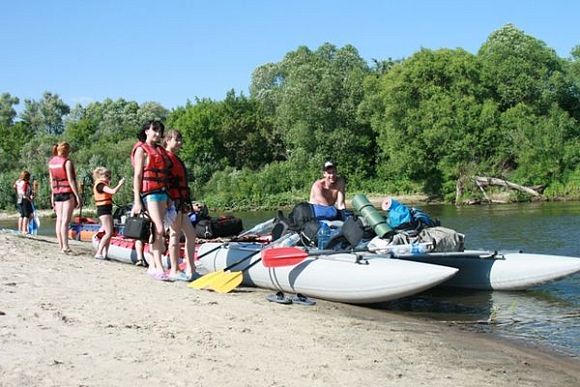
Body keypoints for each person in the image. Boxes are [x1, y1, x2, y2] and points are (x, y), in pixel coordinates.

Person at [131, 120, 172, 280]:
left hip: (162, 192)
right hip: (149, 194)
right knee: (160, 229)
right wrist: (137, 200)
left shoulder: (160, 150)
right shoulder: (141, 150)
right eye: (154, 130)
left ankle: (153, 266)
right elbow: (138, 176)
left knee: (156, 231)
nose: (157, 133)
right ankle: (159, 267)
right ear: (146, 131)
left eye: (159, 131)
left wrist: (168, 195)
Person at [163, 129, 197, 281]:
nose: (179, 143)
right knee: (174, 234)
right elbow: (164, 182)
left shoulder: (176, 158)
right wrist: (168, 203)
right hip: (173, 202)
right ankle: (174, 269)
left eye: (180, 140)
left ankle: (191, 268)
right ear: (168, 140)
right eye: (177, 140)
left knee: (191, 235)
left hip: (181, 201)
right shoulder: (165, 158)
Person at [48, 142, 81, 254]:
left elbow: (51, 181)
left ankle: (61, 245)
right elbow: (71, 180)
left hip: (57, 193)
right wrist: (77, 195)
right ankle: (66, 247)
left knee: (59, 220)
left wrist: (52, 195)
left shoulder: (51, 163)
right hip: (67, 193)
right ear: (66, 150)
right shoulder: (67, 162)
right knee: (65, 221)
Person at [92, 167, 125, 259]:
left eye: (109, 176)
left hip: (107, 209)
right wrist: (120, 184)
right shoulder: (100, 185)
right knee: (109, 232)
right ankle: (99, 252)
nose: (108, 178)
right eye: (106, 176)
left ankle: (105, 254)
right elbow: (113, 191)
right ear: (99, 176)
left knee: (110, 232)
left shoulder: (103, 185)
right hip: (103, 210)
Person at [13, 170, 34, 234]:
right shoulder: (25, 183)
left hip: (19, 197)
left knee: (22, 214)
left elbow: (14, 187)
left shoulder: (18, 181)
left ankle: (20, 229)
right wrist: (30, 199)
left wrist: (17, 192)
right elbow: (25, 193)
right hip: (25, 199)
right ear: (27, 177)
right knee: (26, 215)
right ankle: (24, 230)